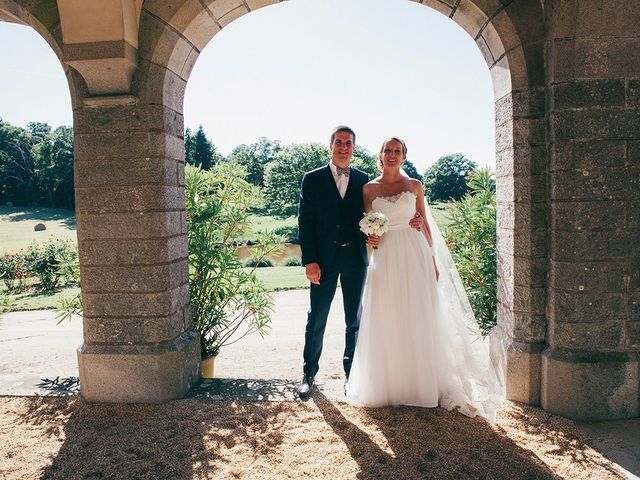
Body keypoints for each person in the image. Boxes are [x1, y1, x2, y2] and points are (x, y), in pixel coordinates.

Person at [346, 137, 503, 422]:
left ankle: (423, 385)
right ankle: (392, 385)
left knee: (420, 314)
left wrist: (432, 260)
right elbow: (369, 227)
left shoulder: (414, 186)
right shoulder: (367, 190)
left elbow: (425, 225)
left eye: (397, 151)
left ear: (404, 156)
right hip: (386, 256)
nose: (392, 154)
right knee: (388, 314)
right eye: (387, 150)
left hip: (415, 252)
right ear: (380, 155)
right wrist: (371, 236)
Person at [296, 126, 421, 399]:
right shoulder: (312, 179)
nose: (343, 147)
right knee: (317, 317)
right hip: (323, 261)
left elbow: (379, 217)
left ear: (353, 147)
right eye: (339, 142)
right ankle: (308, 375)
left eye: (348, 143)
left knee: (355, 320)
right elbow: (305, 222)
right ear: (331, 145)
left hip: (355, 259)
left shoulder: (364, 181)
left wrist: (414, 219)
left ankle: (352, 375)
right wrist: (310, 261)